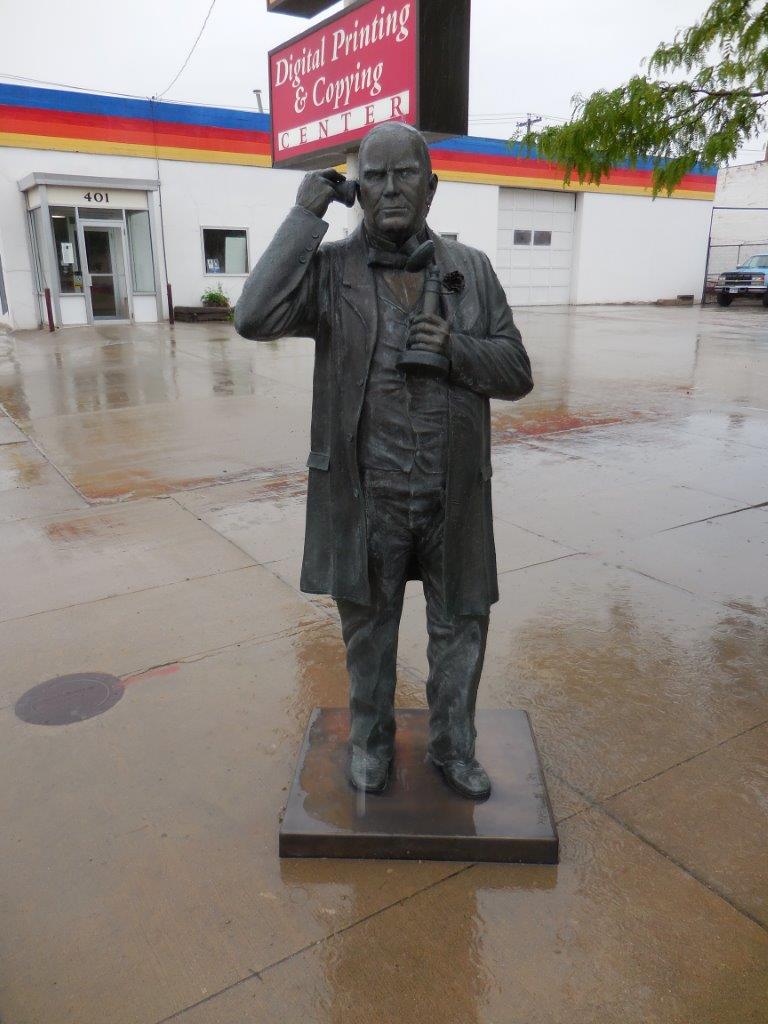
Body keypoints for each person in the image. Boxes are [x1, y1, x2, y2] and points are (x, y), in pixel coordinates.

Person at [235, 122, 533, 799]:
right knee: (368, 633)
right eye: (375, 175)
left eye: (405, 175)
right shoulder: (332, 272)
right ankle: (370, 742)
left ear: (432, 185)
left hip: (451, 492)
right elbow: (253, 316)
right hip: (368, 494)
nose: (391, 189)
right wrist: (307, 211)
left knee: (461, 627)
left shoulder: (472, 270)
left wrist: (458, 349)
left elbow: (516, 370)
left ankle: (453, 748)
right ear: (357, 186)